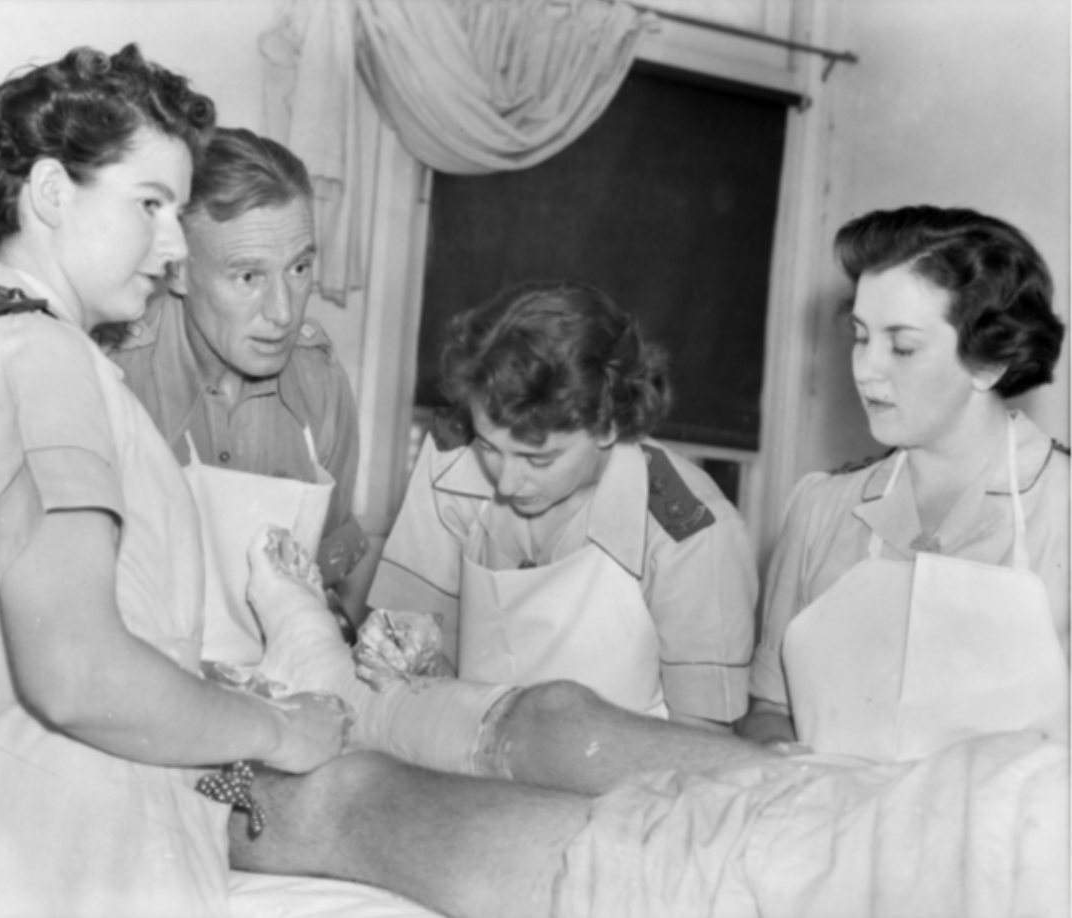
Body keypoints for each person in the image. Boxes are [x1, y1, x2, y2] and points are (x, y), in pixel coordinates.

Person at [0, 45, 353, 918]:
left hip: (72, 825)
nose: (174, 247)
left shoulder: (32, 344)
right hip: (54, 844)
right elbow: (77, 671)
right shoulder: (35, 359)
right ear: (52, 193)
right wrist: (282, 730)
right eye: (150, 206)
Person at [226, 521, 1068, 918]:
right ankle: (328, 687)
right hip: (947, 800)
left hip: (856, 883)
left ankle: (227, 752)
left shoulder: (689, 527)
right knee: (558, 717)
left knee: (342, 802)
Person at [739, 205, 1069, 762]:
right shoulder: (819, 508)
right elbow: (769, 710)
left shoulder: (1062, 510)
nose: (865, 369)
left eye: (902, 347)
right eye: (860, 337)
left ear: (987, 362)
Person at [368, 280, 757, 728]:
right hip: (462, 750)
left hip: (623, 768)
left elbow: (701, 741)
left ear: (607, 426)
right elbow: (409, 652)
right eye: (491, 449)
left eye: (539, 459)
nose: (507, 482)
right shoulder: (454, 458)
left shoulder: (693, 533)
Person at [108, 126, 373, 635]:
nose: (283, 313)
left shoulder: (320, 383)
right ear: (177, 270)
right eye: (249, 276)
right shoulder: (113, 379)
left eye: (298, 268)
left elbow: (324, 582)